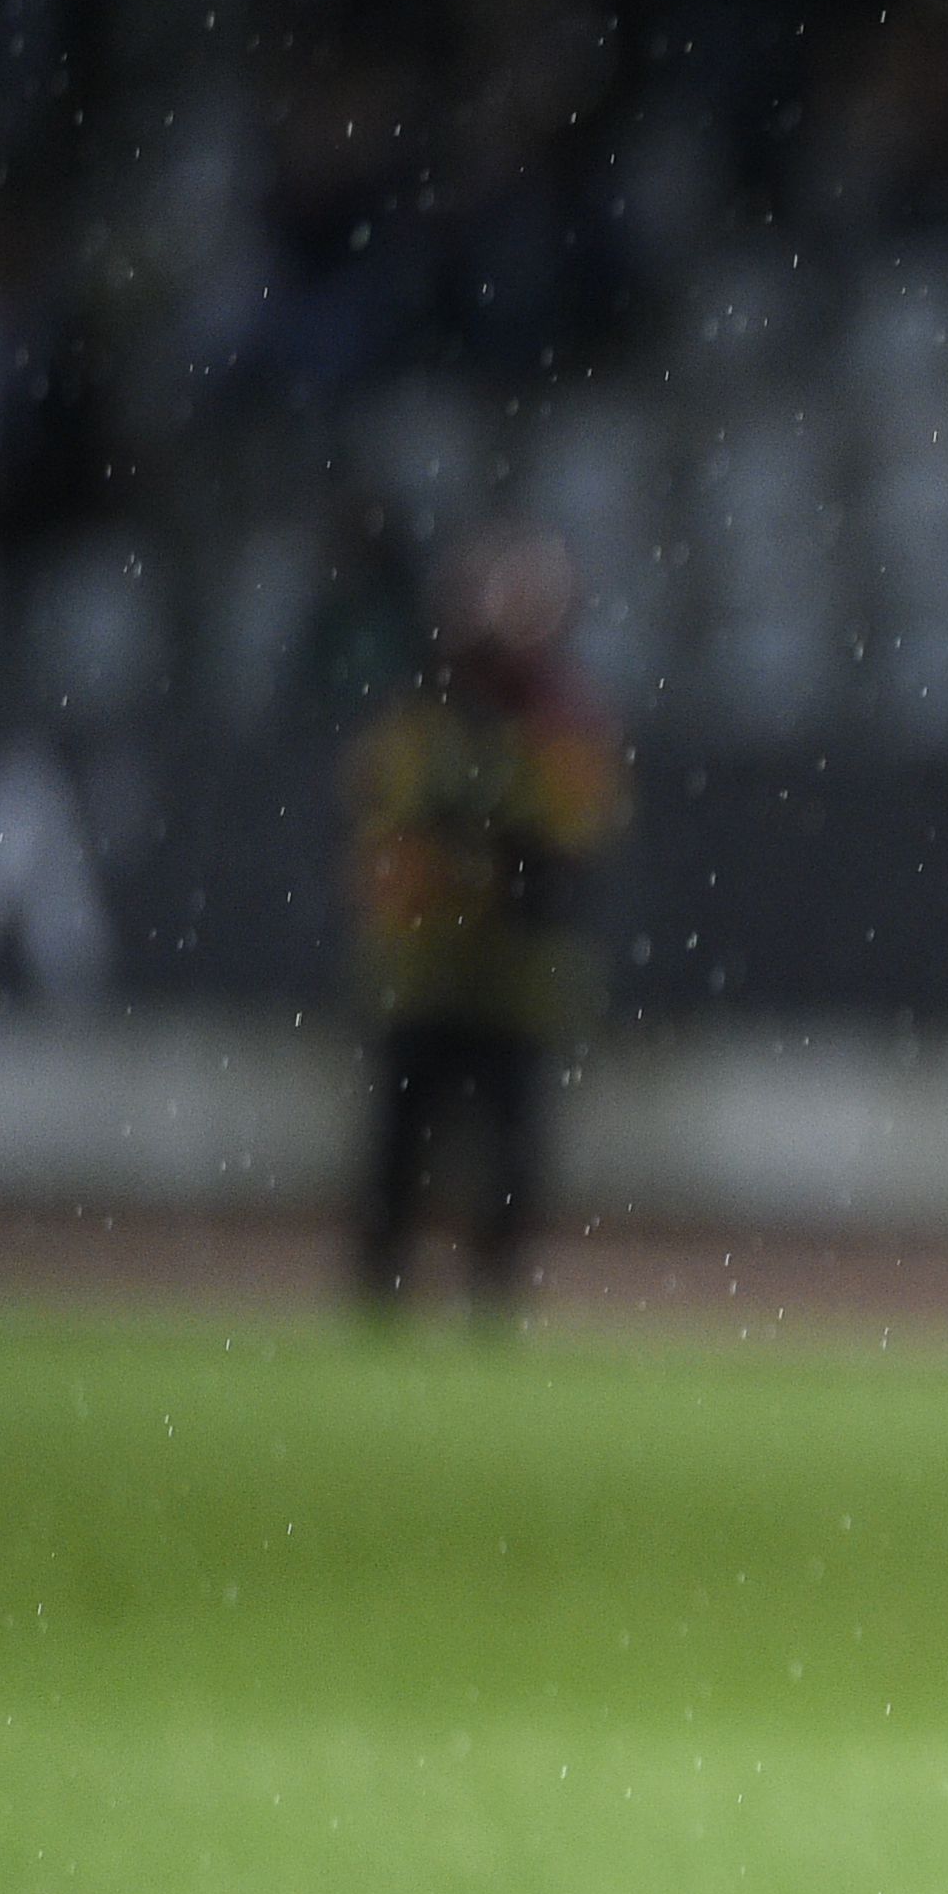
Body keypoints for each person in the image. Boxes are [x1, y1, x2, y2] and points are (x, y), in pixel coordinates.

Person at [346, 523, 626, 1317]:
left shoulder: (561, 720)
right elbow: (386, 827)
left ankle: (493, 1295)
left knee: (509, 1147)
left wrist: (473, 839)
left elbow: (574, 840)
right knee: (400, 1143)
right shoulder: (421, 716)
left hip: (514, 976)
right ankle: (383, 1287)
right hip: (426, 968)